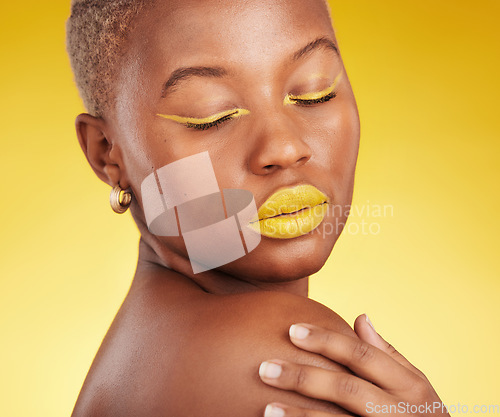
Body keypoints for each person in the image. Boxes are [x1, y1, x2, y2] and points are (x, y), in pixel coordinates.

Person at [66, 0, 450, 416]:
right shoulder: (279, 360)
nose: (284, 148)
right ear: (107, 154)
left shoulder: (138, 353)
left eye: (313, 92)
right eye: (211, 116)